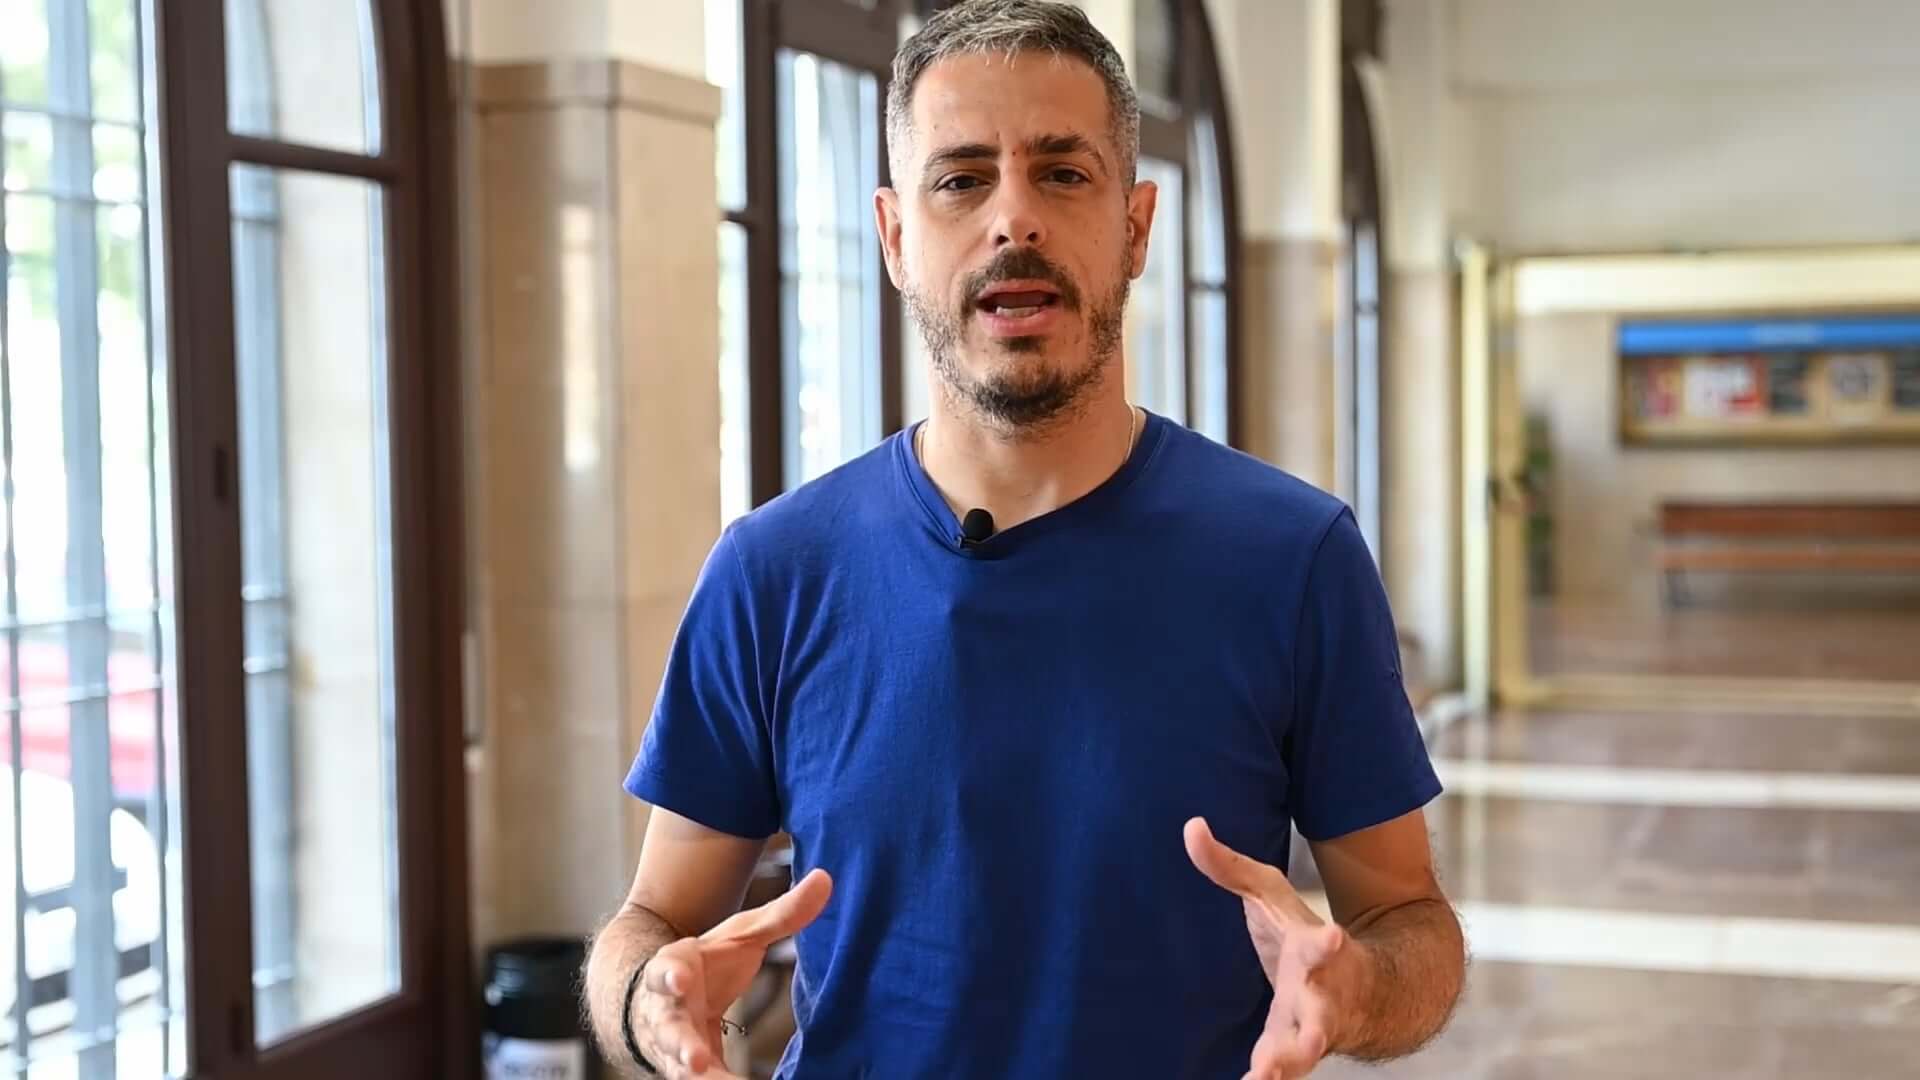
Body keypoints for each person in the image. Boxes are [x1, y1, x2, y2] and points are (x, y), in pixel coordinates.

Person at [583, 1, 1465, 1076]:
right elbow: (651, 920)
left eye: (1063, 173)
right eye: (961, 180)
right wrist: (648, 1003)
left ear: (1135, 226)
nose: (1014, 220)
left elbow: (1411, 924)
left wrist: (1357, 988)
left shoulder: (1293, 557)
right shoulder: (774, 571)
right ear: (895, 236)